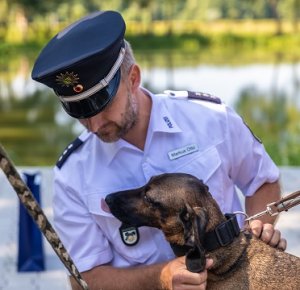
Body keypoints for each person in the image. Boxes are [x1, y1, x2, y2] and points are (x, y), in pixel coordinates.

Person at [31, 10, 286, 290]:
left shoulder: (210, 119)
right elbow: (87, 279)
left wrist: (259, 229)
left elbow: (263, 181)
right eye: (80, 114)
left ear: (133, 78)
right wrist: (161, 276)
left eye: (102, 107)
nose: (93, 126)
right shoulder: (72, 175)